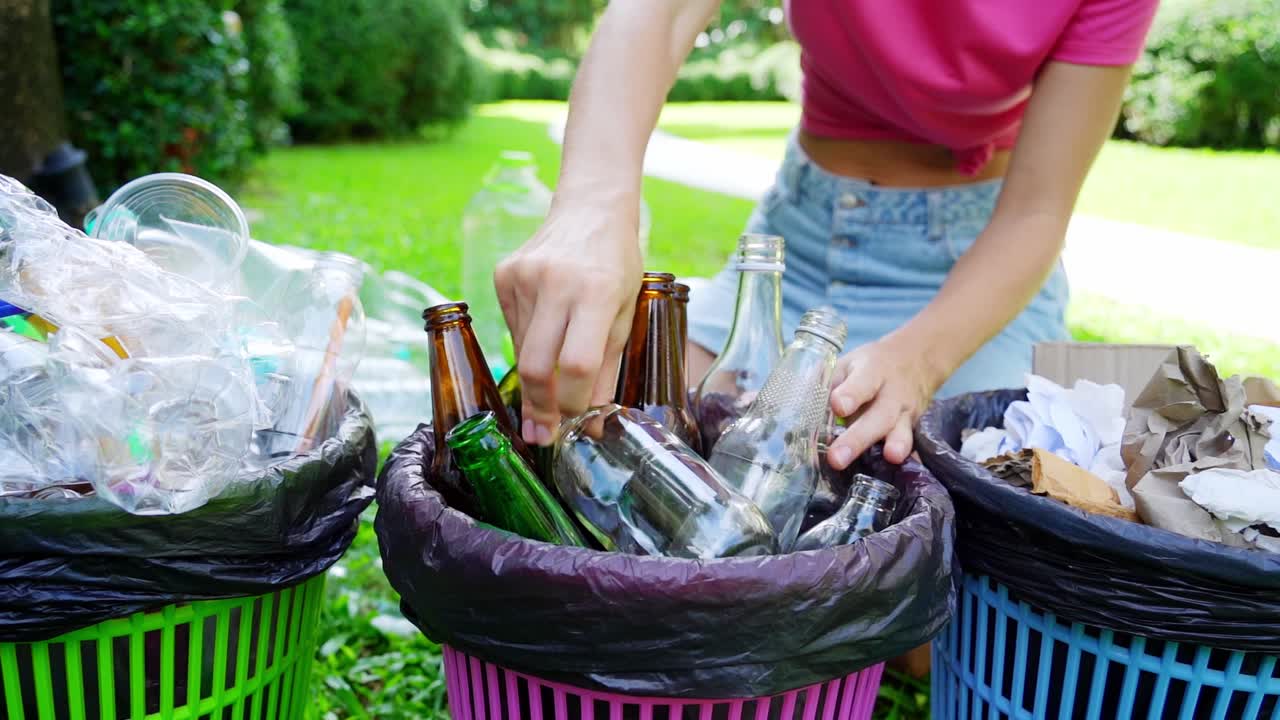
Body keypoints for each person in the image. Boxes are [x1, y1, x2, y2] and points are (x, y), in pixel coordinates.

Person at [495, 0, 1160, 470]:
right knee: (602, 434)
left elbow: (1037, 211)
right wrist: (591, 204)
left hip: (968, 274)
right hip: (799, 242)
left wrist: (920, 363)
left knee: (945, 564)